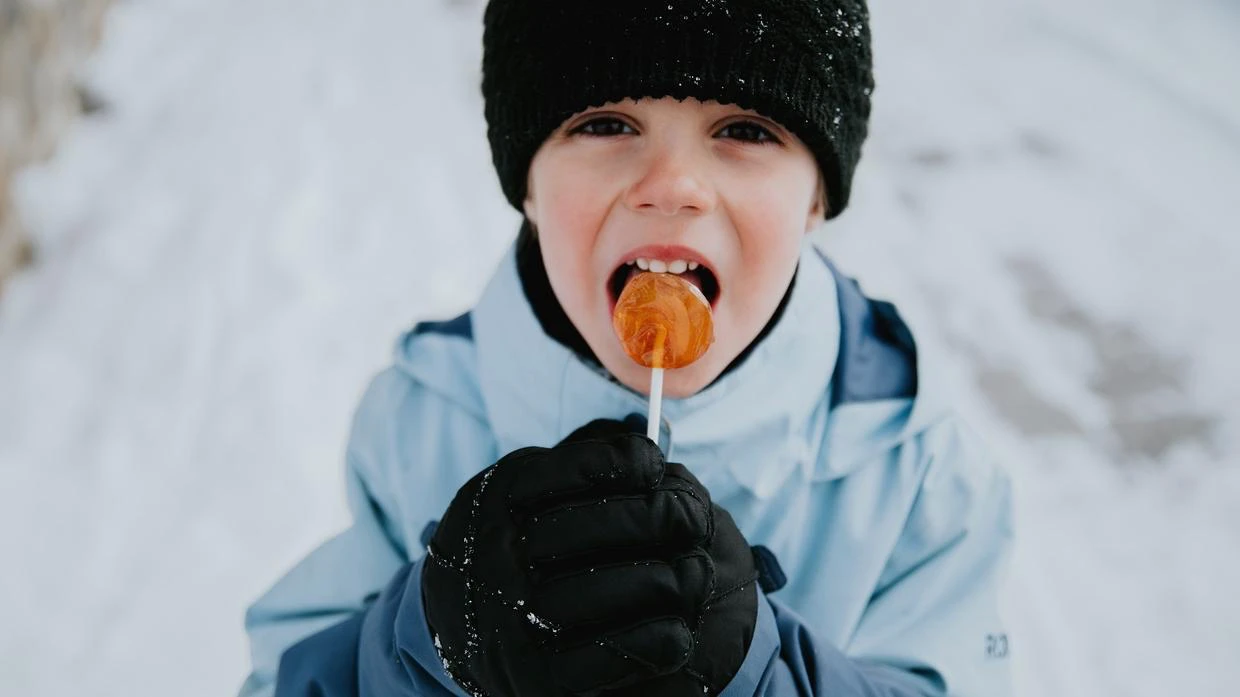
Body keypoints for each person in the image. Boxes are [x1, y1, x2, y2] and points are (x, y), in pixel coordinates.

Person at [239, 1, 1014, 695]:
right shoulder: (422, 420)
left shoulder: (915, 475)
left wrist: (764, 676)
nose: (673, 184)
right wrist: (421, 648)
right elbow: (283, 678)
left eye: (745, 129)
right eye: (606, 124)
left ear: (816, 196)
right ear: (528, 185)